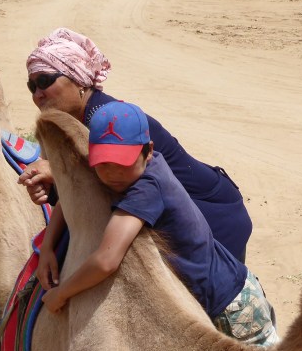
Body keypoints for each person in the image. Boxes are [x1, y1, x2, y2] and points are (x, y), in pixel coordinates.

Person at [40, 101, 278, 349]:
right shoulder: (131, 171)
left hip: (230, 307)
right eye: (103, 163)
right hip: (216, 293)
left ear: (149, 151)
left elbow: (106, 260)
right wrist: (48, 247)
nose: (112, 173)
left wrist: (62, 293)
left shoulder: (148, 187)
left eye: (122, 162)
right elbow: (77, 192)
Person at [18, 27, 253, 265]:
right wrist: (54, 189)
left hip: (211, 216)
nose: (38, 94)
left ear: (78, 79)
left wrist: (58, 172)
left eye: (44, 81)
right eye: (32, 87)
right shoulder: (75, 122)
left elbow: (105, 179)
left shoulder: (107, 121)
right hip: (171, 211)